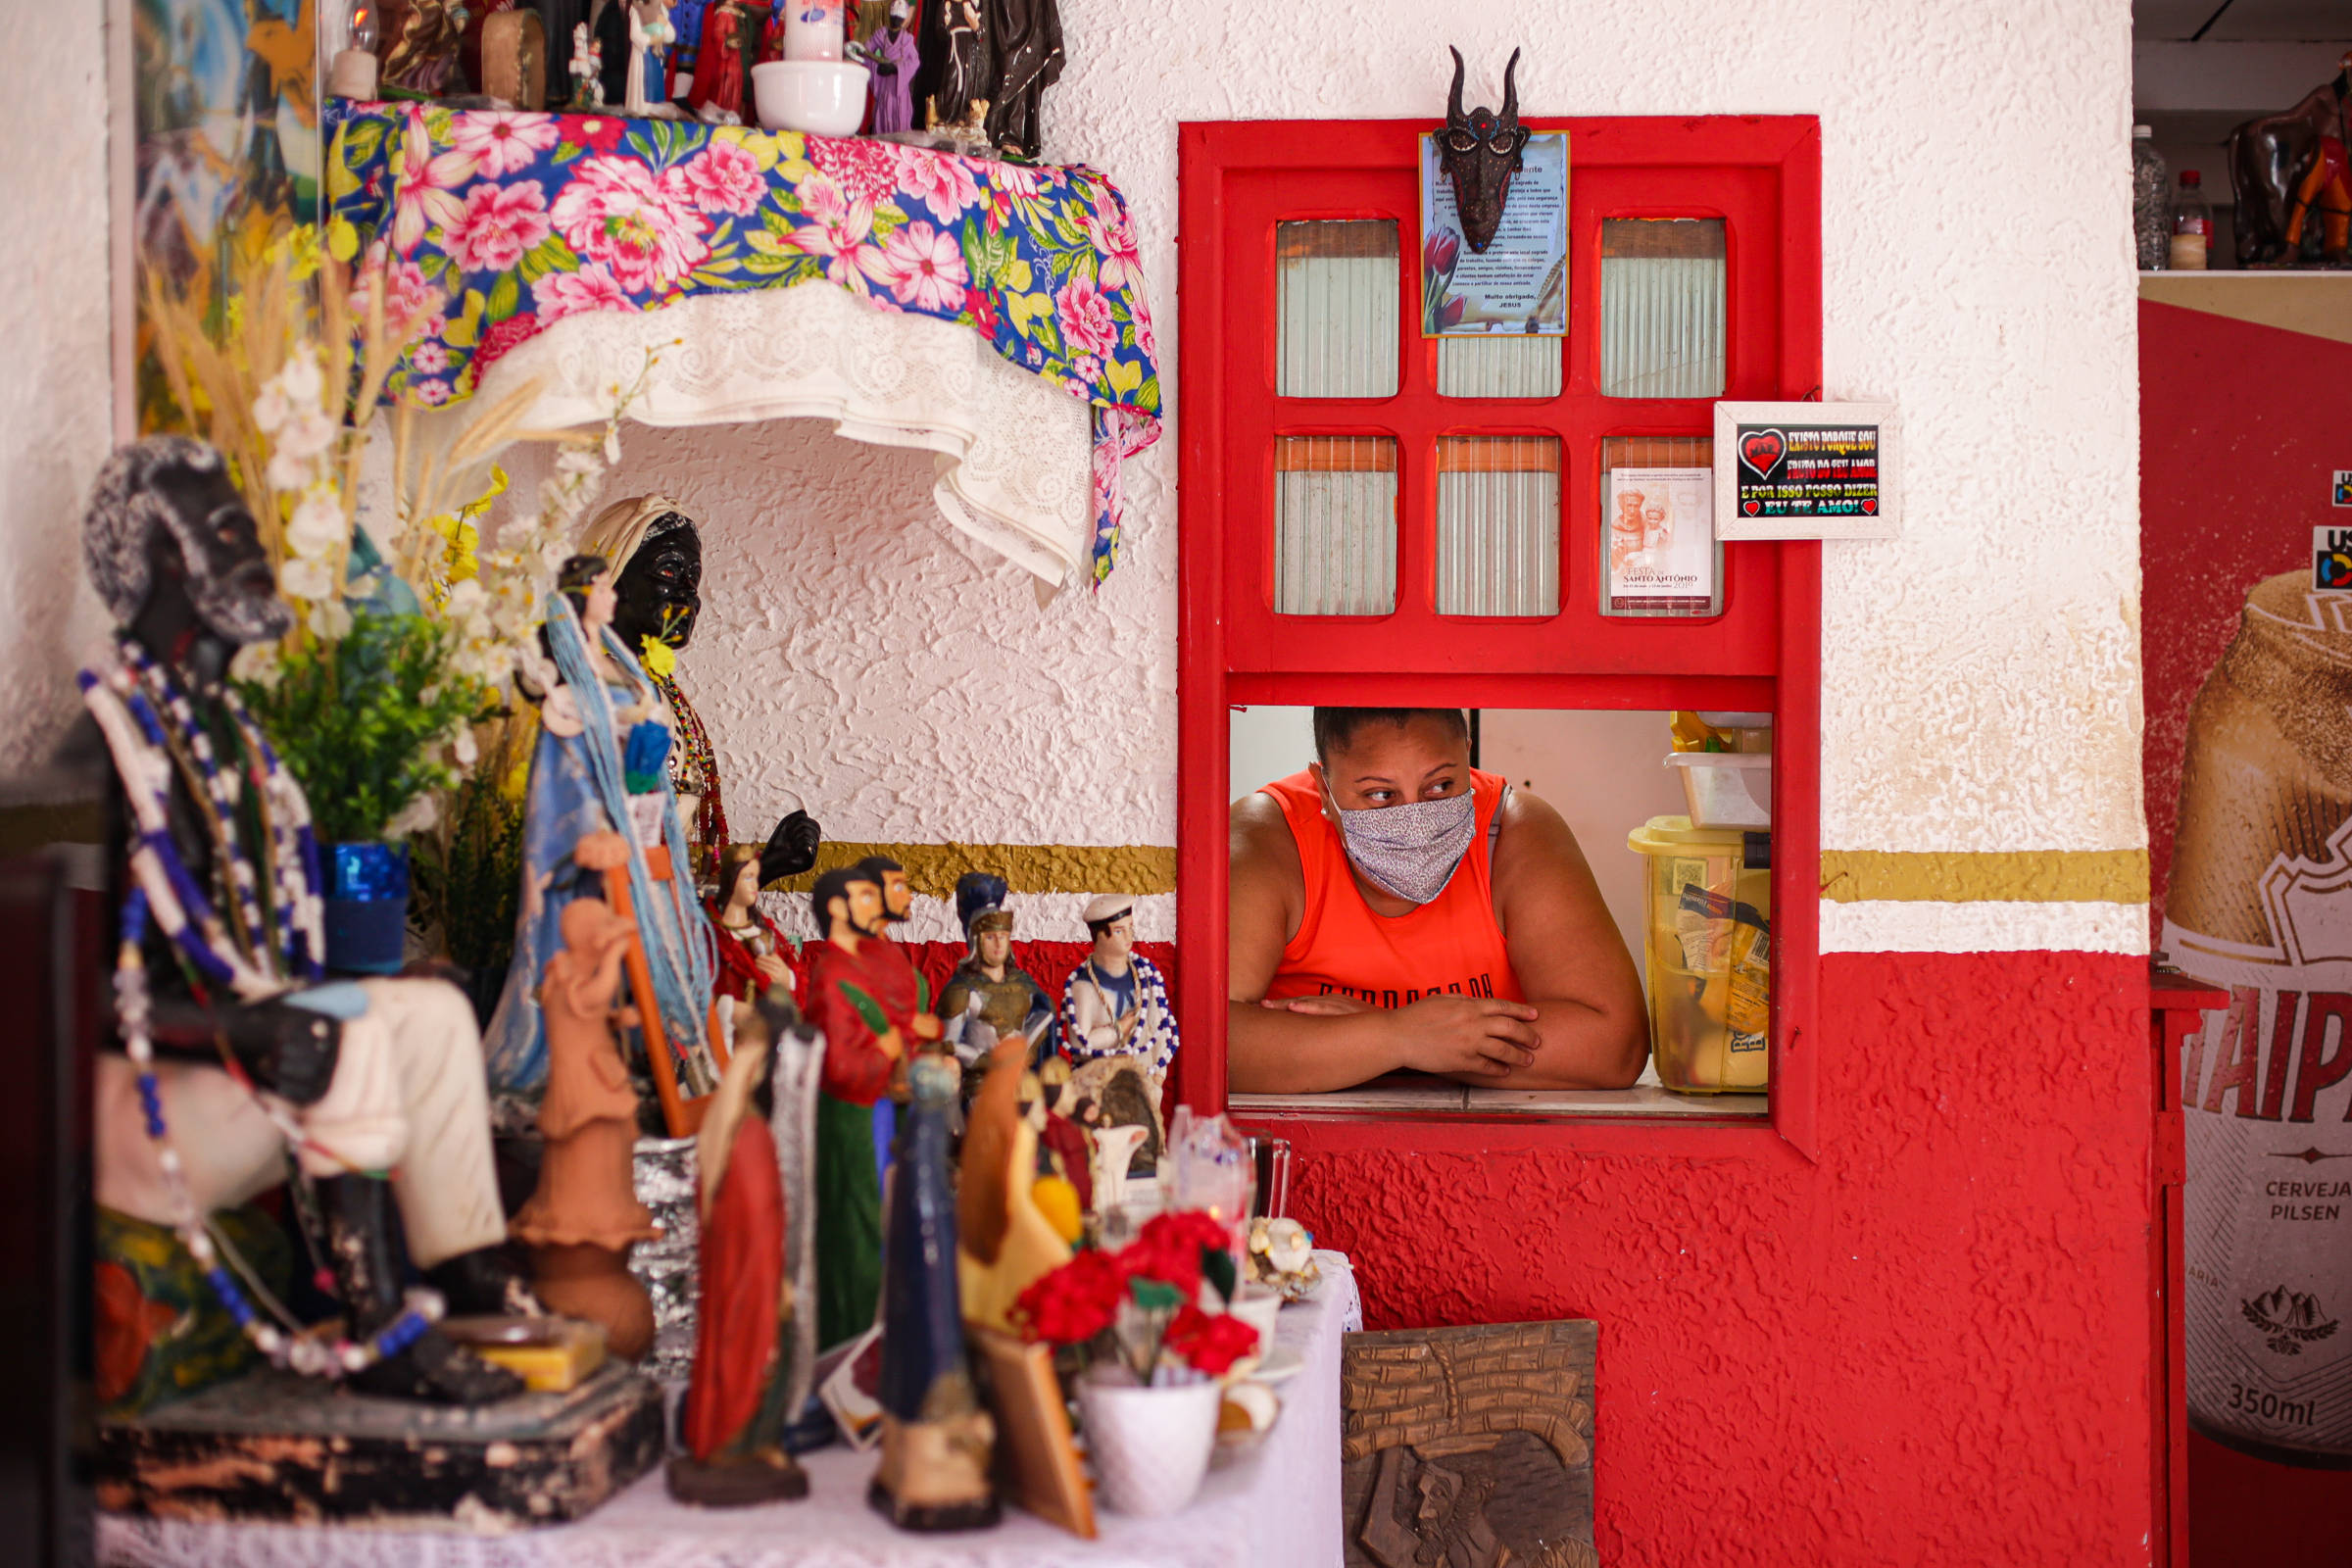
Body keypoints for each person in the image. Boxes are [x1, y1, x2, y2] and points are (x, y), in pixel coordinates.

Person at [76, 437, 525, 1403]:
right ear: (161, 554)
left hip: (251, 1074)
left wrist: (329, 1001)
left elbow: (273, 954)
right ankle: (381, 1330)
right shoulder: (105, 750)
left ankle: (472, 1279)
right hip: (144, 1109)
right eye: (229, 530)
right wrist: (247, 1027)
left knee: (432, 1013)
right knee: (346, 1034)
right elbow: (69, 1001)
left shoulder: (239, 743)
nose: (257, 554)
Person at [1227, 707, 1645, 1095]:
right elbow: (1210, 1042)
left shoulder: (1514, 831)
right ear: (1323, 786)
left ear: (1467, 755)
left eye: (1441, 785)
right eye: (1380, 795)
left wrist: (1380, 1038)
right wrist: (1399, 1037)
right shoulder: (1268, 839)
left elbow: (1615, 1047)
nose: (1415, 821)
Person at [1059, 892, 1176, 1077]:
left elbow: (1158, 1024)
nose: (1128, 936)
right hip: (1098, 1082)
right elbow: (1080, 1044)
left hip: (1142, 1079)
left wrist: (1159, 1072)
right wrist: (1118, 1030)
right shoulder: (1084, 987)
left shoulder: (1145, 976)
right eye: (1119, 931)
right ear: (1100, 936)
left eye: (1130, 927)